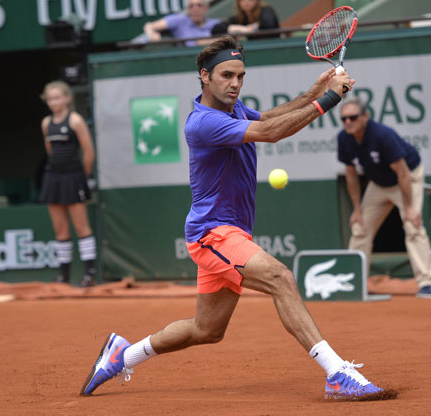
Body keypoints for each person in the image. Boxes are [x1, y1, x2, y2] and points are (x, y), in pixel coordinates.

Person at [80, 35, 393, 401]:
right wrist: (330, 99)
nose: (235, 84)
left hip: (227, 233)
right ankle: (337, 373)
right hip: (213, 234)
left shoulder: (234, 110)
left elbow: (270, 116)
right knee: (281, 278)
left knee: (207, 329)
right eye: (227, 75)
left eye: (240, 76)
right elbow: (271, 133)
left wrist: (314, 91)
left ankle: (123, 355)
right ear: (205, 76)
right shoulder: (203, 123)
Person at [337, 96, 431, 298]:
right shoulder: (344, 139)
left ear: (365, 117)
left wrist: (410, 208)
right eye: (344, 119)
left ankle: (427, 283)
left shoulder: (382, 135)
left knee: (412, 226)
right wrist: (356, 210)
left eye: (353, 117)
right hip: (379, 183)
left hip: (408, 178)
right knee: (360, 227)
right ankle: (353, 280)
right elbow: (351, 175)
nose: (348, 122)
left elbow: (403, 173)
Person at [38, 81, 97, 288]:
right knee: (60, 230)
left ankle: (89, 273)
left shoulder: (75, 120)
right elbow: (50, 151)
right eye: (50, 99)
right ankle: (64, 276)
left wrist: (82, 175)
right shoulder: (46, 123)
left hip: (74, 177)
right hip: (53, 178)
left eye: (58, 98)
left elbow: (88, 152)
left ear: (67, 98)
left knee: (82, 227)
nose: (54, 102)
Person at [141, 0, 220, 46]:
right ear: (187, 9)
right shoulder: (179, 20)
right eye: (191, 6)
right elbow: (149, 26)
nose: (195, 9)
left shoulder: (215, 23)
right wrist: (151, 34)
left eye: (199, 5)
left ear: (206, 8)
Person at [211, 0, 279, 38]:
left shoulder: (266, 9)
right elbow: (216, 29)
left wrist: (252, 28)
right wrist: (240, 28)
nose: (246, 1)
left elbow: (268, 25)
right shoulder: (241, 17)